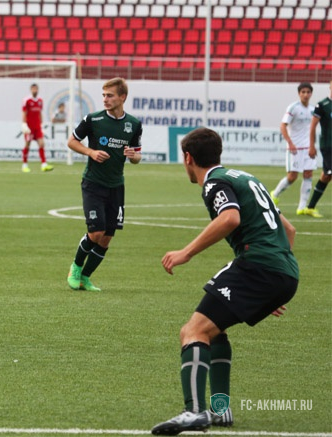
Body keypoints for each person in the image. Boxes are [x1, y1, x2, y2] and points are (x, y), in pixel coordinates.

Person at [151, 127, 299, 436]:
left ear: (188, 158)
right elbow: (289, 230)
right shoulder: (245, 177)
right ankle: (220, 409)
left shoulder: (214, 182)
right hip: (283, 270)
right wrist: (273, 288)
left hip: (258, 265)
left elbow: (230, 218)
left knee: (193, 331)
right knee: (213, 330)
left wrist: (186, 252)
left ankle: (194, 412)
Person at [66, 77, 142, 292]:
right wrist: (90, 152)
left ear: (122, 97)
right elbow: (71, 141)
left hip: (116, 186)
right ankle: (75, 268)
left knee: (107, 238)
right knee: (96, 233)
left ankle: (86, 278)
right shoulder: (93, 119)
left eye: (110, 95)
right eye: (103, 95)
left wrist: (133, 156)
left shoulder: (134, 124)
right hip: (93, 183)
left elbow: (137, 157)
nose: (105, 99)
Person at [270, 82, 315, 215]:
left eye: (308, 92)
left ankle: (301, 207)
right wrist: (290, 143)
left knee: (308, 174)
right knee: (292, 177)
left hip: (308, 148)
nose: (306, 94)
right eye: (303, 92)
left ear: (311, 94)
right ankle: (275, 194)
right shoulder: (293, 107)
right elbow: (283, 125)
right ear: (299, 93)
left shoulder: (313, 109)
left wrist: (313, 145)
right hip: (295, 148)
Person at [305, 80, 332, 217]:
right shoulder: (322, 105)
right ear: (330, 86)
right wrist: (311, 146)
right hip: (328, 145)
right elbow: (313, 127)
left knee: (326, 176)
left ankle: (310, 207)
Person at [21, 83, 54, 173]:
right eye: (33, 89)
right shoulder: (27, 100)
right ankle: (24, 165)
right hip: (29, 127)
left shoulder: (40, 101)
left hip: (37, 127)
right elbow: (24, 112)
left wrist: (41, 124)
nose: (34, 90)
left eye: (36, 89)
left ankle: (44, 164)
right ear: (31, 90)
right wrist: (24, 124)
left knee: (41, 144)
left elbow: (39, 113)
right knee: (27, 144)